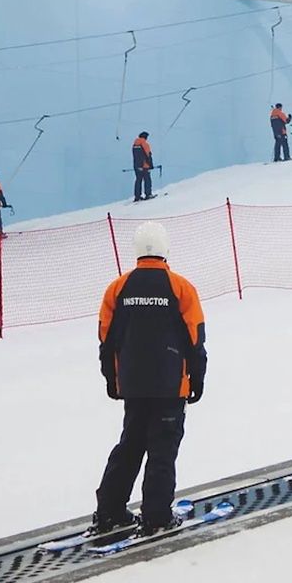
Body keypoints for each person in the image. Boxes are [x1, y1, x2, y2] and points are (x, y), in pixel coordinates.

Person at [91, 221, 207, 538]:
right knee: (162, 449)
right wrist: (197, 377)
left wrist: (112, 380)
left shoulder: (118, 288)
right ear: (165, 250)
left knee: (130, 444)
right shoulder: (181, 288)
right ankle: (156, 516)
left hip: (132, 384)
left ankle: (110, 510)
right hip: (171, 384)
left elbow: (106, 338)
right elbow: (195, 338)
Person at [132, 132, 155, 201]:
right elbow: (148, 155)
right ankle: (148, 194)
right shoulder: (145, 144)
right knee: (147, 180)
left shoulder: (134, 145)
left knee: (138, 180)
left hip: (137, 166)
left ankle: (137, 196)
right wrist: (151, 165)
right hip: (145, 166)